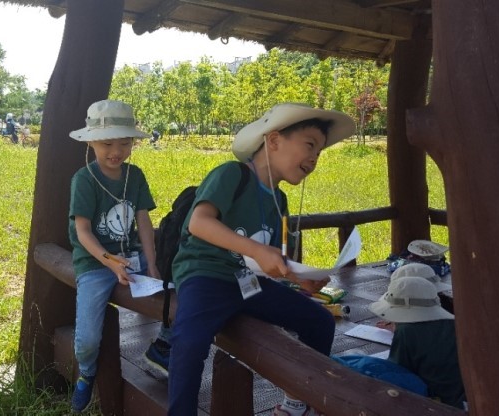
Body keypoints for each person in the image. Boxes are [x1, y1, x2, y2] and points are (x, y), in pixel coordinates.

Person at [168, 103, 356, 416]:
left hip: (249, 283)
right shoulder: (232, 174)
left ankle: (297, 403)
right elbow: (198, 223)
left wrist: (300, 278)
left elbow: (271, 259)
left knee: (320, 322)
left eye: (320, 151)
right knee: (189, 343)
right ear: (274, 140)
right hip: (207, 275)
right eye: (309, 145)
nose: (314, 158)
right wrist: (256, 250)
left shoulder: (279, 199)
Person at [67, 99, 160, 413]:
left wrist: (153, 264)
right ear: (91, 142)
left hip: (130, 255)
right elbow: (83, 231)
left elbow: (144, 222)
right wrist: (108, 261)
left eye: (125, 143)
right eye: (107, 144)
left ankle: (165, 347)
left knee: (176, 290)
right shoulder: (84, 180)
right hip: (95, 261)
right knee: (87, 339)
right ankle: (87, 372)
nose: (116, 151)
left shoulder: (136, 176)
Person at [368, 275, 466, 409]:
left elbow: (396, 373)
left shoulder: (406, 331)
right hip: (462, 398)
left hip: (435, 403)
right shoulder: (452, 323)